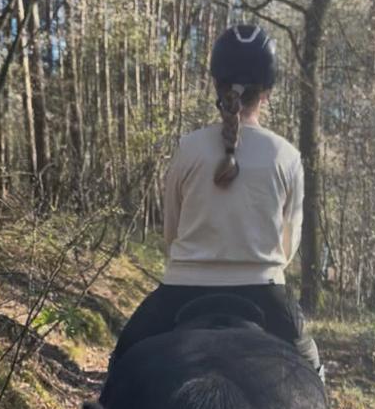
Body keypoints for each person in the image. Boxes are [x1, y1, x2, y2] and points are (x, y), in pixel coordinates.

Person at [109, 23, 323, 378]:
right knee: (312, 374)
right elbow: (287, 248)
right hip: (265, 294)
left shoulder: (188, 148)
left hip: (182, 289)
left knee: (122, 362)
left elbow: (171, 234)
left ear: (217, 86)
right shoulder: (287, 156)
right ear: (266, 92)